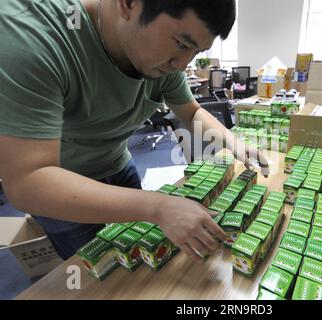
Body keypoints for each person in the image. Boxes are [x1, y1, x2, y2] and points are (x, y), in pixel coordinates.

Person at [0, 0, 269, 262]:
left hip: (118, 163)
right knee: (98, 277)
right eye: (181, 43)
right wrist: (157, 206)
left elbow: (191, 112)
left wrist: (233, 141)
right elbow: (27, 183)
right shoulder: (33, 38)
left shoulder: (163, 55)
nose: (183, 64)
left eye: (196, 52)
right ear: (129, 4)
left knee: (140, 259)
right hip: (60, 186)